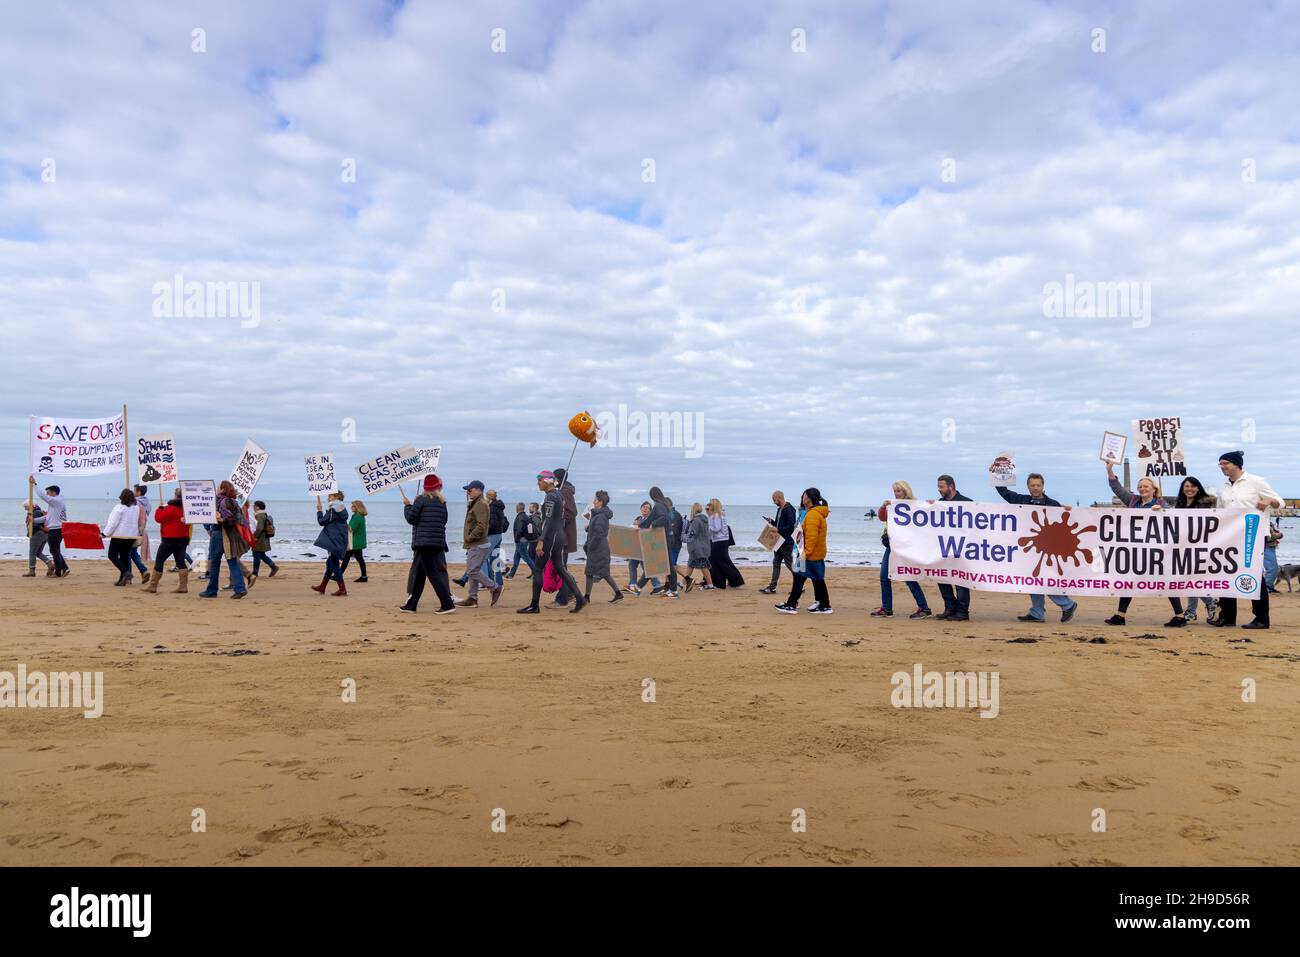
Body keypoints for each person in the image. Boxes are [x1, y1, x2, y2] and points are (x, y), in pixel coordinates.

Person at [1104, 461, 1184, 627]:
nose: (1142, 489)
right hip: (1137, 550)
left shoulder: (1162, 504)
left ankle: (1180, 616)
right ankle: (1120, 615)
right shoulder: (1133, 501)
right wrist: (1109, 469)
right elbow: (1117, 488)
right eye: (1140, 486)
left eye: (1146, 486)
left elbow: (1174, 520)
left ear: (1154, 489)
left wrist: (1161, 511)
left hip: (1157, 551)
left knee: (1166, 580)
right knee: (1129, 579)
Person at [995, 472, 1079, 624]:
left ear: (1043, 486)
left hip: (1047, 550)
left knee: (1043, 581)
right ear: (1028, 486)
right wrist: (998, 474)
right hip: (1028, 549)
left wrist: (1069, 511)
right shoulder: (1021, 500)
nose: (1035, 488)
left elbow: (1064, 524)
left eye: (1038, 485)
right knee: (1032, 581)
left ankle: (1067, 604)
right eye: (1032, 485)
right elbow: (1003, 491)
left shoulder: (1053, 504)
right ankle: (1037, 612)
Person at [1212, 451, 1282, 630]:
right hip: (1230, 535)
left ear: (1236, 464)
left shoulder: (1256, 481)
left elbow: (1280, 502)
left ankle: (1261, 618)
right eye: (1220, 464)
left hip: (1254, 535)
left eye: (1225, 463)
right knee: (1226, 572)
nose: (1222, 467)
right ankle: (1227, 616)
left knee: (1254, 574)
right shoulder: (1224, 486)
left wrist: (1268, 500)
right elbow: (1221, 511)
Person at [517, 470, 585, 614]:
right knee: (560, 568)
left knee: (537, 569)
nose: (538, 483)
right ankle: (580, 598)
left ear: (547, 481)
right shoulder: (559, 495)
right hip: (559, 535)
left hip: (551, 537)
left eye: (540, 480)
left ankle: (534, 605)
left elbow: (547, 521)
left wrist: (541, 540)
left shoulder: (550, 497)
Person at [871, 481, 932, 618]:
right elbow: (882, 517)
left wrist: (931, 505)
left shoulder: (915, 505)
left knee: (909, 576)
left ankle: (924, 607)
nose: (896, 494)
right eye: (895, 491)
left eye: (899, 491)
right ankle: (887, 608)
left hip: (906, 547)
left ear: (905, 491)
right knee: (884, 577)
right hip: (891, 546)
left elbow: (927, 518)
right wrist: (883, 506)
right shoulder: (892, 505)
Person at [399, 474, 456, 615]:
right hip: (437, 542)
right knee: (420, 574)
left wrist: (407, 506)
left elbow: (411, 518)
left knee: (433, 574)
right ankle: (411, 605)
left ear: (425, 487)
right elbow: (444, 521)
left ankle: (447, 604)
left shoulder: (421, 500)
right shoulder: (442, 502)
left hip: (424, 542)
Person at [775, 488, 831, 614]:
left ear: (810, 498)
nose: (802, 497)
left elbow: (811, 537)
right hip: (815, 553)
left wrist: (805, 553)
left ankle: (791, 604)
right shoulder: (813, 513)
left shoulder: (812, 514)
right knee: (817, 579)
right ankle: (824, 605)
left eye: (804, 495)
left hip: (810, 553)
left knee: (800, 577)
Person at [1174, 477, 1218, 622]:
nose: (1190, 489)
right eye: (1187, 486)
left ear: (1198, 488)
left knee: (1191, 578)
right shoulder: (1180, 504)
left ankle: (1204, 606)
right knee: (1190, 578)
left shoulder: (1204, 504)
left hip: (1200, 547)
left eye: (1193, 486)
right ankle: (1201, 607)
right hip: (1183, 546)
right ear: (1182, 488)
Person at [456, 480, 503, 608]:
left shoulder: (481, 504)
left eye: (470, 490)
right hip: (476, 543)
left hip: (478, 543)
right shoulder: (476, 503)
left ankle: (494, 587)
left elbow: (482, 526)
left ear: (478, 490)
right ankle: (472, 598)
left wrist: (470, 537)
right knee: (474, 570)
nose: (468, 492)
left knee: (472, 571)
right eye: (467, 490)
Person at [199, 481, 249, 599]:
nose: (216, 490)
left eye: (218, 488)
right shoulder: (233, 502)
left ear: (222, 490)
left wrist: (220, 519)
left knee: (215, 562)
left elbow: (228, 518)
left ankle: (212, 590)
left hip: (219, 533)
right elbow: (239, 519)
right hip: (230, 534)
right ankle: (240, 588)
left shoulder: (222, 501)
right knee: (232, 560)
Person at [934, 475, 973, 621]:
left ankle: (963, 612)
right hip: (944, 546)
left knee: (961, 580)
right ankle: (950, 607)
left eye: (941, 487)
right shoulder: (940, 503)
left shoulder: (967, 503)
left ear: (951, 487)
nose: (939, 490)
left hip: (962, 548)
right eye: (938, 487)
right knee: (941, 576)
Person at [148, 491, 192, 594]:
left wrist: (159, 508)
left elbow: (158, 518)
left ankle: (153, 585)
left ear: (176, 496)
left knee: (159, 560)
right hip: (183, 538)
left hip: (169, 539)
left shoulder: (170, 508)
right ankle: (183, 586)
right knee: (180, 561)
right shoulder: (188, 509)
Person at [582, 490, 622, 603]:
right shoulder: (599, 515)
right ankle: (587, 597)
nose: (593, 502)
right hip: (599, 547)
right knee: (595, 572)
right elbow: (597, 530)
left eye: (595, 500)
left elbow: (599, 534)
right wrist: (588, 528)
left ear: (600, 503)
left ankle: (587, 597)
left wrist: (590, 546)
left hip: (598, 548)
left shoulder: (600, 516)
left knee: (598, 573)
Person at [310, 491, 349, 597]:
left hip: (333, 540)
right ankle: (322, 586)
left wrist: (319, 511)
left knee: (334, 564)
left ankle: (342, 589)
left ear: (336, 496)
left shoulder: (333, 509)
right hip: (339, 538)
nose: (328, 497)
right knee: (329, 564)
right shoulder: (342, 508)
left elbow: (322, 522)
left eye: (330, 495)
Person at [29, 477, 69, 577]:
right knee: (55, 550)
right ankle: (64, 568)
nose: (47, 494)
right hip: (57, 529)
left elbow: (42, 495)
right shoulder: (56, 504)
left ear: (54, 492)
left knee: (54, 551)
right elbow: (47, 518)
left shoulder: (56, 501)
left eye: (48, 492)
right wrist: (33, 520)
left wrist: (34, 484)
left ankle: (58, 572)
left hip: (56, 529)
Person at [102, 488, 143, 586]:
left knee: (112, 555)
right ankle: (122, 580)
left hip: (120, 535)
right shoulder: (136, 508)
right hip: (131, 536)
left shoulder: (119, 507)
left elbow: (113, 523)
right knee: (124, 557)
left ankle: (126, 572)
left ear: (122, 497)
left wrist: (105, 533)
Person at [759, 490, 797, 594]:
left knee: (790, 565)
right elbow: (779, 525)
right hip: (778, 541)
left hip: (786, 542)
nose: (773, 502)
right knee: (776, 563)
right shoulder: (779, 509)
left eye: (774, 499)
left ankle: (799, 586)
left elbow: (791, 527)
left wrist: (778, 529)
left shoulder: (790, 509)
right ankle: (772, 587)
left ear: (779, 497)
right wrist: (772, 522)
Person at [552, 468, 580, 606]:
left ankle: (565, 597)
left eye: (554, 478)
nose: (552, 480)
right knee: (561, 567)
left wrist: (558, 519)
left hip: (563, 536)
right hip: (559, 535)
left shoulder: (565, 491)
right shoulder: (560, 491)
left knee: (561, 567)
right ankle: (566, 595)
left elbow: (572, 512)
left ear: (559, 478)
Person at [707, 498, 744, 589]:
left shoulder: (715, 516)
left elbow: (716, 528)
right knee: (720, 561)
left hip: (719, 541)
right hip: (722, 541)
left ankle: (734, 581)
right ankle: (723, 582)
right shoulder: (721, 515)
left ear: (714, 505)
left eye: (710, 504)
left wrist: (708, 527)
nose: (709, 506)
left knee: (720, 561)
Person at [625, 501, 661, 595]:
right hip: (636, 547)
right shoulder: (638, 518)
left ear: (650, 511)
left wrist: (638, 526)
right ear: (640, 508)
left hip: (645, 547)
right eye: (643, 507)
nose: (645, 509)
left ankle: (656, 586)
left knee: (647, 568)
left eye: (647, 508)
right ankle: (633, 585)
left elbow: (650, 532)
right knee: (632, 565)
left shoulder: (651, 520)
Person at [681, 502, 714, 592]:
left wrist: (683, 536)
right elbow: (709, 533)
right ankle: (682, 583)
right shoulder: (705, 520)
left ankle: (710, 585)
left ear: (693, 510)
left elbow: (692, 535)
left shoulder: (696, 520)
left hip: (697, 548)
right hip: (705, 546)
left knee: (703, 566)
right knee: (690, 565)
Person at [249, 500, 279, 582]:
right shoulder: (264, 514)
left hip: (259, 538)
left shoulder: (259, 515)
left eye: (254, 506)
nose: (253, 507)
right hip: (264, 538)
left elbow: (259, 528)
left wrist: (254, 537)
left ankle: (255, 573)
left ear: (258, 507)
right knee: (262, 554)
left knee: (256, 554)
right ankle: (273, 566)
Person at [340, 500, 369, 583]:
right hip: (358, 541)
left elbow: (351, 529)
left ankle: (338, 575)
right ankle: (364, 576)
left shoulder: (357, 517)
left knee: (346, 558)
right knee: (359, 559)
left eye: (353, 506)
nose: (351, 507)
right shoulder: (359, 516)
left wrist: (342, 525)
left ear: (357, 507)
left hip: (355, 542)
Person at [127, 484, 151, 582]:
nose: (133, 492)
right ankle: (143, 571)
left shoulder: (136, 503)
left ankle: (128, 575)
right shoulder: (147, 503)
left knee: (127, 553)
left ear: (139, 492)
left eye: (134, 490)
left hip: (133, 530)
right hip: (141, 530)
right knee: (132, 552)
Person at [485, 489, 509, 588]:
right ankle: (499, 582)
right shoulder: (499, 507)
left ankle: (487, 581)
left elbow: (493, 523)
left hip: (493, 535)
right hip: (498, 535)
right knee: (495, 560)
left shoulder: (493, 507)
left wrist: (485, 532)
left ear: (489, 497)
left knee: (483, 557)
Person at [507, 502, 538, 579]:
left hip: (521, 541)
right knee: (516, 558)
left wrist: (517, 539)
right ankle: (511, 574)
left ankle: (537, 573)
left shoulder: (520, 517)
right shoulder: (526, 517)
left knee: (526, 558)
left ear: (517, 508)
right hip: (524, 540)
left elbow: (520, 530)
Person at [22, 502, 53, 577]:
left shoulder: (35, 513)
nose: (25, 509)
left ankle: (32, 571)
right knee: (38, 552)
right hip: (44, 535)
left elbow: (35, 525)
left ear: (31, 506)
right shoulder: (40, 511)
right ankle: (50, 564)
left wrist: (31, 533)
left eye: (26, 507)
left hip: (37, 535)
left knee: (32, 553)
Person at [1264, 518, 1282, 594]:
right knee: (1272, 568)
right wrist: (1279, 535)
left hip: (1270, 547)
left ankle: (1269, 586)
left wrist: (1277, 534)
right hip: (1266, 547)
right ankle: (1267, 587)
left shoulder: (1267, 522)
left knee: (1274, 568)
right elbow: (1267, 538)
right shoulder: (1263, 522)